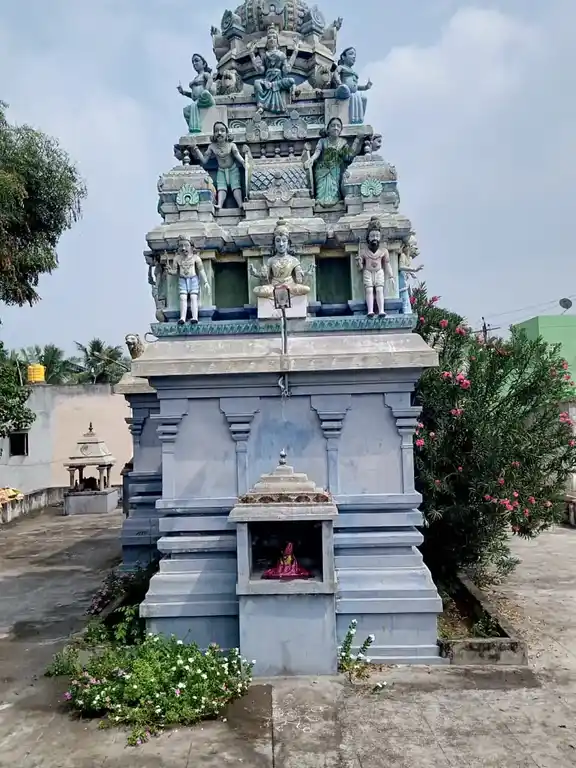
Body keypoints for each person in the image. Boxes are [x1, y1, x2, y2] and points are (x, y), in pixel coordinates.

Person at [304, 117, 363, 206]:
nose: (335, 128)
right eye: (333, 126)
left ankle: (334, 201)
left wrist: (357, 140)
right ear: (328, 129)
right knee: (321, 188)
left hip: (335, 170)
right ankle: (320, 201)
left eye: (338, 126)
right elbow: (317, 152)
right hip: (322, 170)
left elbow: (349, 156)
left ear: (341, 130)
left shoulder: (343, 142)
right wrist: (311, 159)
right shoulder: (322, 141)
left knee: (333, 188)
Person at [190, 122, 245, 209]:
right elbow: (204, 161)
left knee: (236, 186)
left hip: (233, 169)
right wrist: (196, 149)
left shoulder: (231, 145)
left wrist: (244, 163)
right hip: (221, 170)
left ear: (227, 134)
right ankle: (220, 204)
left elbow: (237, 155)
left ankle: (240, 204)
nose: (219, 133)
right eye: (216, 131)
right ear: (214, 134)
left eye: (222, 130)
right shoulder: (212, 147)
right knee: (221, 188)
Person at [247, 25, 300, 114]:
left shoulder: (281, 55)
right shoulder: (264, 55)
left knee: (291, 80)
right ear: (267, 41)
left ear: (277, 41)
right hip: (267, 81)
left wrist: (295, 52)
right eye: (269, 38)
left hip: (278, 81)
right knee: (256, 83)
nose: (272, 39)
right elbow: (261, 70)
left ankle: (274, 86)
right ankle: (260, 105)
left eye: (274, 37)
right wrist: (252, 55)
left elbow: (286, 70)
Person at [167, 236, 211, 324]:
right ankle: (182, 317)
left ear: (191, 246)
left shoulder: (195, 258)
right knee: (182, 297)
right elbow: (175, 271)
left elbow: (201, 270)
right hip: (182, 279)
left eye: (186, 245)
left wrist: (206, 282)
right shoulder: (177, 258)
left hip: (193, 279)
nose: (183, 248)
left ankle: (195, 317)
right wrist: (170, 271)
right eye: (181, 246)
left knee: (193, 297)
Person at [356, 218, 395, 317]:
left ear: (380, 237)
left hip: (379, 272)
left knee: (379, 290)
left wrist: (391, 276)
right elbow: (360, 268)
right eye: (372, 236)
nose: (375, 238)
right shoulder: (363, 251)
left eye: (377, 236)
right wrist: (359, 262)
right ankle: (370, 310)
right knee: (369, 290)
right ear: (368, 238)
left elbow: (387, 264)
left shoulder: (383, 251)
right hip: (368, 272)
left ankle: (381, 310)